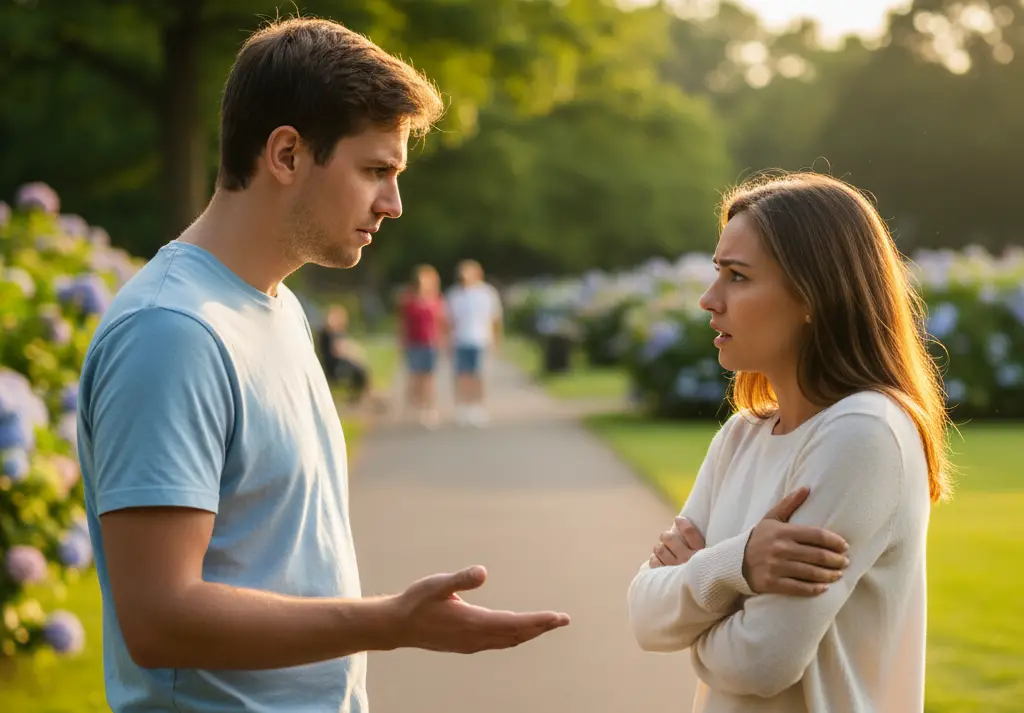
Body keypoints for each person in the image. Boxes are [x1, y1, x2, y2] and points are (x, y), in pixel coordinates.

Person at [76, 17, 569, 713]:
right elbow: (160, 617)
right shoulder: (173, 331)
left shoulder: (277, 309)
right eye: (376, 171)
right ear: (286, 154)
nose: (394, 204)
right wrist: (389, 621)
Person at [626, 172, 952, 713]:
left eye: (737, 277)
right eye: (717, 273)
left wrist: (696, 590)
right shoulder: (741, 436)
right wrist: (738, 565)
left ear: (812, 295)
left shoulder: (864, 433)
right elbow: (642, 614)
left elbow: (761, 662)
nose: (710, 300)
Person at [445, 259, 503, 426]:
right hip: (460, 339)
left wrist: (497, 341)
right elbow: (449, 321)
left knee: (479, 375)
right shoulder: (455, 294)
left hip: (481, 339)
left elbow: (495, 320)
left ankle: (478, 406)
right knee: (462, 375)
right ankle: (463, 406)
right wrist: (447, 341)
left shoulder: (487, 293)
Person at [397, 264, 446, 427]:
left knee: (428, 378)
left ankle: (429, 409)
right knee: (414, 377)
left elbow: (441, 323)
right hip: (413, 343)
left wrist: (443, 341)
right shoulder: (408, 300)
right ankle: (411, 408)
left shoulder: (436, 300)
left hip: (430, 343)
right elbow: (402, 323)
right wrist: (401, 341)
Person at [319, 304, 373, 406]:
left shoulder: (337, 333)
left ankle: (361, 397)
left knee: (361, 369)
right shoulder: (327, 333)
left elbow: (345, 344)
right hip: (334, 367)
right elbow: (338, 349)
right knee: (360, 370)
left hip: (338, 364)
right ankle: (363, 397)